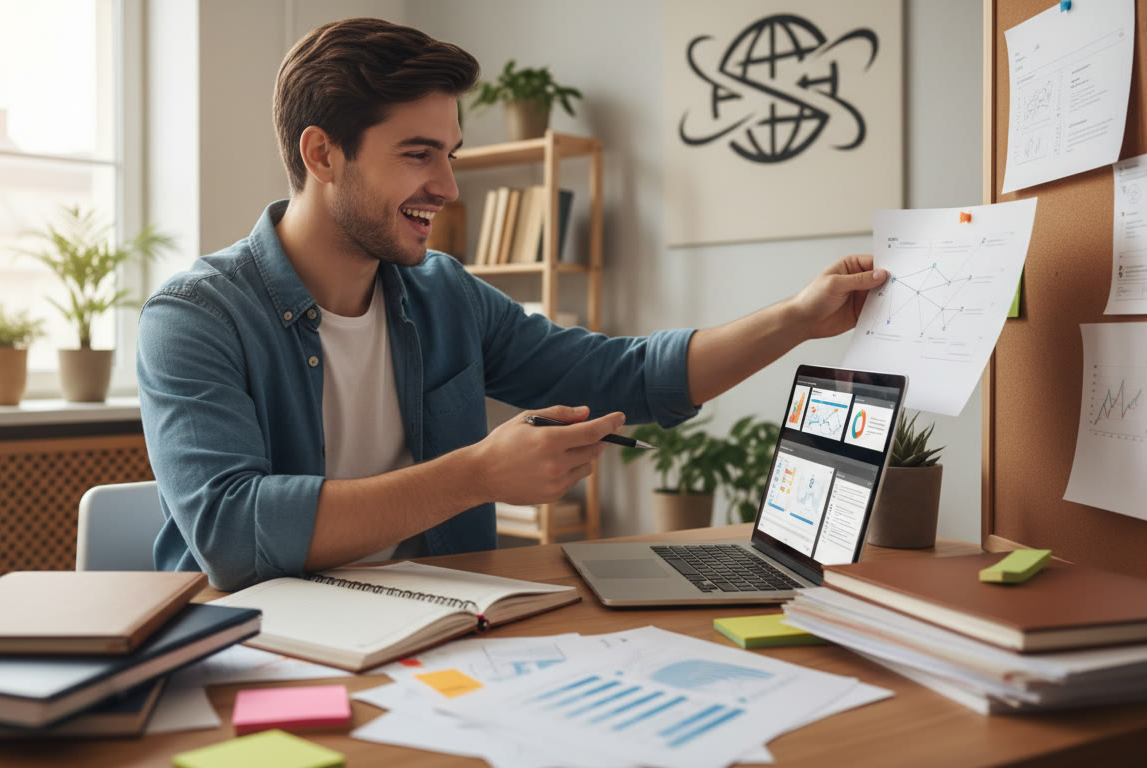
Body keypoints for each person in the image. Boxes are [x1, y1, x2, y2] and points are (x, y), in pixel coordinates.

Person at [136, 18, 887, 592]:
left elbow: (625, 375)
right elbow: (232, 533)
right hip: (258, 645)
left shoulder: (444, 294)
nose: (449, 187)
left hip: (434, 624)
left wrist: (798, 318)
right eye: (417, 153)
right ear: (322, 153)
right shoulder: (195, 317)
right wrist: (478, 475)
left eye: (450, 154)